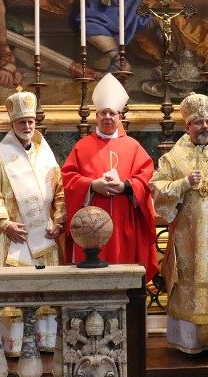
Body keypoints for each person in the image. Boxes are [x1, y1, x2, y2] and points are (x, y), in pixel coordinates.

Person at [150, 93, 208, 354]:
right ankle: (189, 341)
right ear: (187, 126)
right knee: (192, 282)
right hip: (189, 239)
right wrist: (183, 184)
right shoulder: (173, 158)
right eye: (199, 122)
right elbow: (156, 189)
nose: (205, 127)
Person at [0, 88, 65, 356]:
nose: (26, 126)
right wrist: (5, 225)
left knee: (45, 290)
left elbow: (59, 192)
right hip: (13, 234)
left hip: (44, 235)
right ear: (12, 124)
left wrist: (59, 221)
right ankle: (13, 347)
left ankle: (47, 342)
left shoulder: (47, 155)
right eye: (21, 122)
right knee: (14, 292)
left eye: (30, 122)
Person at [61, 73, 158, 283]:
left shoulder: (133, 146)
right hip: (91, 227)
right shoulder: (82, 146)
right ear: (96, 116)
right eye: (103, 113)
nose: (107, 117)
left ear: (120, 117)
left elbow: (146, 178)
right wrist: (91, 185)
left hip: (125, 225)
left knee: (125, 273)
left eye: (112, 113)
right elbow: (68, 178)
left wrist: (125, 186)